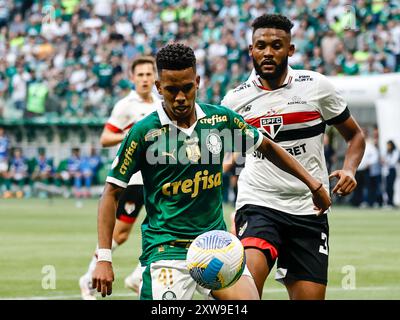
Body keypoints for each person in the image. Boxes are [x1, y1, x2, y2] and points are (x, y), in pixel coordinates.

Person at [91, 43, 331, 300]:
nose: (180, 97)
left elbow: (268, 147)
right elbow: (111, 192)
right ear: (159, 88)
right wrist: (104, 257)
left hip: (214, 247)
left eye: (187, 88)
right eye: (171, 90)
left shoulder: (220, 120)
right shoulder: (143, 133)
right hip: (166, 252)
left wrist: (313, 185)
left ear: (197, 82)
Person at [221, 14, 365, 300]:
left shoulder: (317, 87)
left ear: (291, 50)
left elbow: (355, 136)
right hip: (259, 203)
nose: (268, 52)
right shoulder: (234, 101)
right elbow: (223, 154)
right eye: (261, 46)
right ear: (251, 50)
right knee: (246, 294)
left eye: (277, 45)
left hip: (309, 209)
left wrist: (349, 169)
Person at [79, 56, 161, 300]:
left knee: (162, 224)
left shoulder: (159, 103)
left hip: (157, 177)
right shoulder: (126, 105)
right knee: (122, 233)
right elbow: (105, 138)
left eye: (149, 74)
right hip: (134, 177)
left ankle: (139, 276)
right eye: (141, 75)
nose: (145, 79)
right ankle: (89, 277)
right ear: (132, 78)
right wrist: (129, 132)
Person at [383, 140, 399, 208]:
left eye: (389, 145)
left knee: (390, 187)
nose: (388, 147)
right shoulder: (387, 152)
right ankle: (388, 202)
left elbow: (393, 162)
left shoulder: (395, 152)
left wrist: (386, 161)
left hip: (392, 171)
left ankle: (391, 202)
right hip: (387, 171)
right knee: (387, 188)